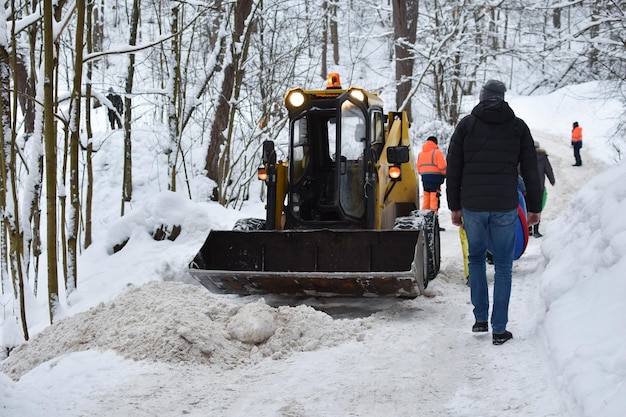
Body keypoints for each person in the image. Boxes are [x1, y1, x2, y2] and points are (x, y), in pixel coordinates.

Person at [446, 79, 542, 346]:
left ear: (482, 96)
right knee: (503, 265)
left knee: (476, 258)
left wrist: (454, 207)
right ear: (502, 97)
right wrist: (535, 208)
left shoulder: (466, 126)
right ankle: (499, 329)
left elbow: (453, 168)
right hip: (504, 204)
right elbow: (531, 170)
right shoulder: (517, 126)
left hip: (473, 205)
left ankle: (480, 320)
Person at [416, 136, 447, 218]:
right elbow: (442, 166)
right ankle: (434, 220)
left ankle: (424, 218)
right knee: (434, 198)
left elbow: (418, 168)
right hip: (435, 178)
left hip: (425, 178)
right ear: (435, 143)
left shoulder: (420, 154)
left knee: (426, 197)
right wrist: (445, 174)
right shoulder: (437, 152)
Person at [530, 141, 555, 237]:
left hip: (527, 186)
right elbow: (548, 169)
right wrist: (552, 180)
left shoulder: (525, 155)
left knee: (528, 207)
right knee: (537, 208)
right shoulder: (543, 156)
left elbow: (519, 169)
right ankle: (536, 230)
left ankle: (528, 230)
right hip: (538, 187)